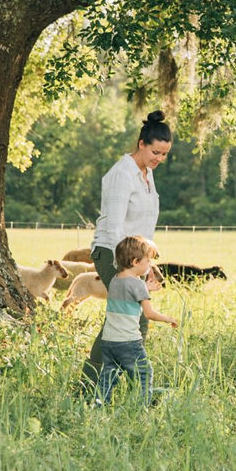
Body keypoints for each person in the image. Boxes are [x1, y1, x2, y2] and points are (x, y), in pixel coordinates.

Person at [79, 110, 172, 394]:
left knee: (130, 320)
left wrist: (147, 263)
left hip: (134, 255)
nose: (159, 159)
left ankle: (124, 385)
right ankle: (91, 389)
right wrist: (127, 271)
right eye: (156, 152)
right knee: (126, 319)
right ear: (141, 144)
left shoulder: (146, 174)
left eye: (165, 154)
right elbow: (117, 228)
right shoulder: (122, 174)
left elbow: (143, 224)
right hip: (113, 253)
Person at [95, 235, 178, 406]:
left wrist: (145, 288)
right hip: (128, 342)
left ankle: (99, 404)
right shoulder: (138, 285)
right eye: (147, 261)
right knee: (143, 373)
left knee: (109, 374)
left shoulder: (115, 280)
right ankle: (142, 409)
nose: (149, 265)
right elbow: (149, 314)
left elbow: (129, 290)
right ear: (135, 261)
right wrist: (168, 318)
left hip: (109, 340)